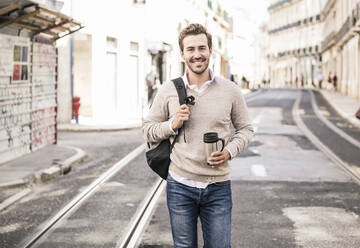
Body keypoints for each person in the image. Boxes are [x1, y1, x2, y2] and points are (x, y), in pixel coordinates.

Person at [142, 23, 254, 247]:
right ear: (182, 54)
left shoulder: (230, 90)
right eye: (191, 50)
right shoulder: (169, 90)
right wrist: (172, 124)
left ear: (210, 51)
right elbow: (147, 129)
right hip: (180, 186)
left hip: (218, 187)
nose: (197, 55)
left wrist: (229, 152)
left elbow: (246, 129)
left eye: (202, 48)